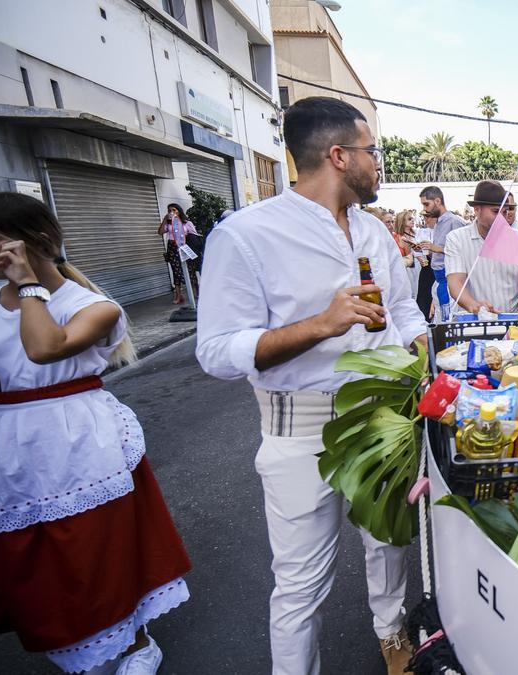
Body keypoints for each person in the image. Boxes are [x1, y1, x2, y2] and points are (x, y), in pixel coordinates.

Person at [196, 97, 425, 674]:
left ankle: (393, 634)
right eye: (373, 152)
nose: (381, 164)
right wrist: (321, 324)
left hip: (385, 422)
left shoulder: (373, 231)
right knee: (299, 583)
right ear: (339, 155)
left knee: (390, 545)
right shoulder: (246, 234)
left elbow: (401, 311)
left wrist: (422, 354)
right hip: (300, 432)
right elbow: (217, 352)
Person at [0, 192, 191, 674]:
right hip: (12, 440)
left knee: (98, 547)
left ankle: (134, 643)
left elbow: (44, 349)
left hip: (78, 439)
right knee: (40, 555)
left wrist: (27, 284)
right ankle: (78, 642)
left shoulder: (93, 306)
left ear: (33, 241)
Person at [444, 180, 518, 316]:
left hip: (510, 320)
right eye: (496, 212)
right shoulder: (456, 239)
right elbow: (455, 283)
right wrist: (475, 306)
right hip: (471, 321)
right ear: (477, 210)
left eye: (505, 212)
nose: (502, 218)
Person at [420, 186, 466, 321]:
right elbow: (439, 253)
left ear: (438, 201)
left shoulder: (454, 221)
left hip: (450, 280)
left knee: (449, 320)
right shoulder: (439, 222)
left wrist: (436, 248)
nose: (425, 209)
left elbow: (462, 251)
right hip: (438, 280)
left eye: (426, 204)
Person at [157, 203, 200, 305]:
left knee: (190, 269)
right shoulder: (168, 223)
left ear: (179, 211)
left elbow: (194, 235)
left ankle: (197, 289)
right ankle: (178, 295)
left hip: (184, 246)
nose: (172, 212)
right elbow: (160, 232)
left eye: (174, 210)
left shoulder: (186, 223)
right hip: (172, 246)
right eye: (169, 210)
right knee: (175, 270)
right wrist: (164, 219)